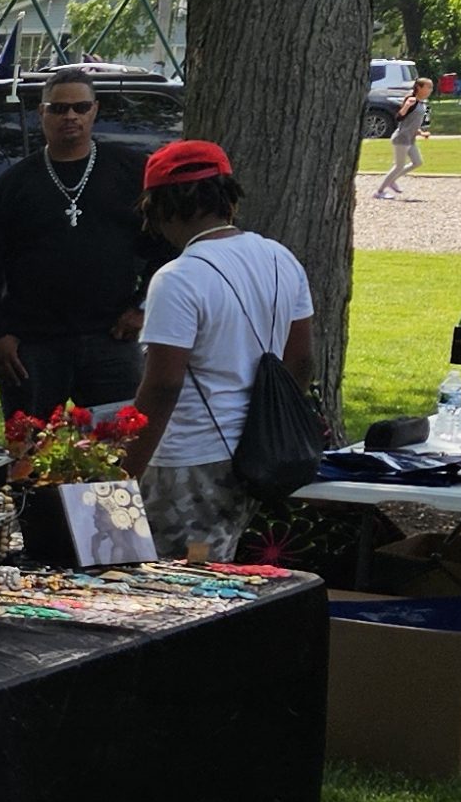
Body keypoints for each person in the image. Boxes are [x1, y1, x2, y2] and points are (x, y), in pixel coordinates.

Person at [124, 139, 318, 559]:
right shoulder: (280, 257)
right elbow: (300, 360)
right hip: (257, 454)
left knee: (177, 589)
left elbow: (162, 387)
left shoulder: (178, 278)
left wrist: (124, 472)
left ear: (160, 208)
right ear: (228, 197)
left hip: (187, 459)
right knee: (219, 580)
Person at [0, 67, 154, 420]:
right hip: (33, 344)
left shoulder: (132, 172)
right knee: (30, 453)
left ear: (95, 110)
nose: (70, 116)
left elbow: (167, 244)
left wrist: (144, 305)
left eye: (80, 107)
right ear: (41, 113)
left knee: (120, 452)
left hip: (112, 339)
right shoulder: (13, 185)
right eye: (58, 108)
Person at [374, 72, 430, 199]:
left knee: (417, 162)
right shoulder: (412, 100)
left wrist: (421, 132)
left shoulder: (422, 103)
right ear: (419, 88)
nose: (430, 90)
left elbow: (412, 122)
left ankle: (392, 180)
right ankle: (379, 191)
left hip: (411, 139)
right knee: (399, 166)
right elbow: (399, 118)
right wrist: (406, 106)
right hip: (401, 138)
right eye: (428, 87)